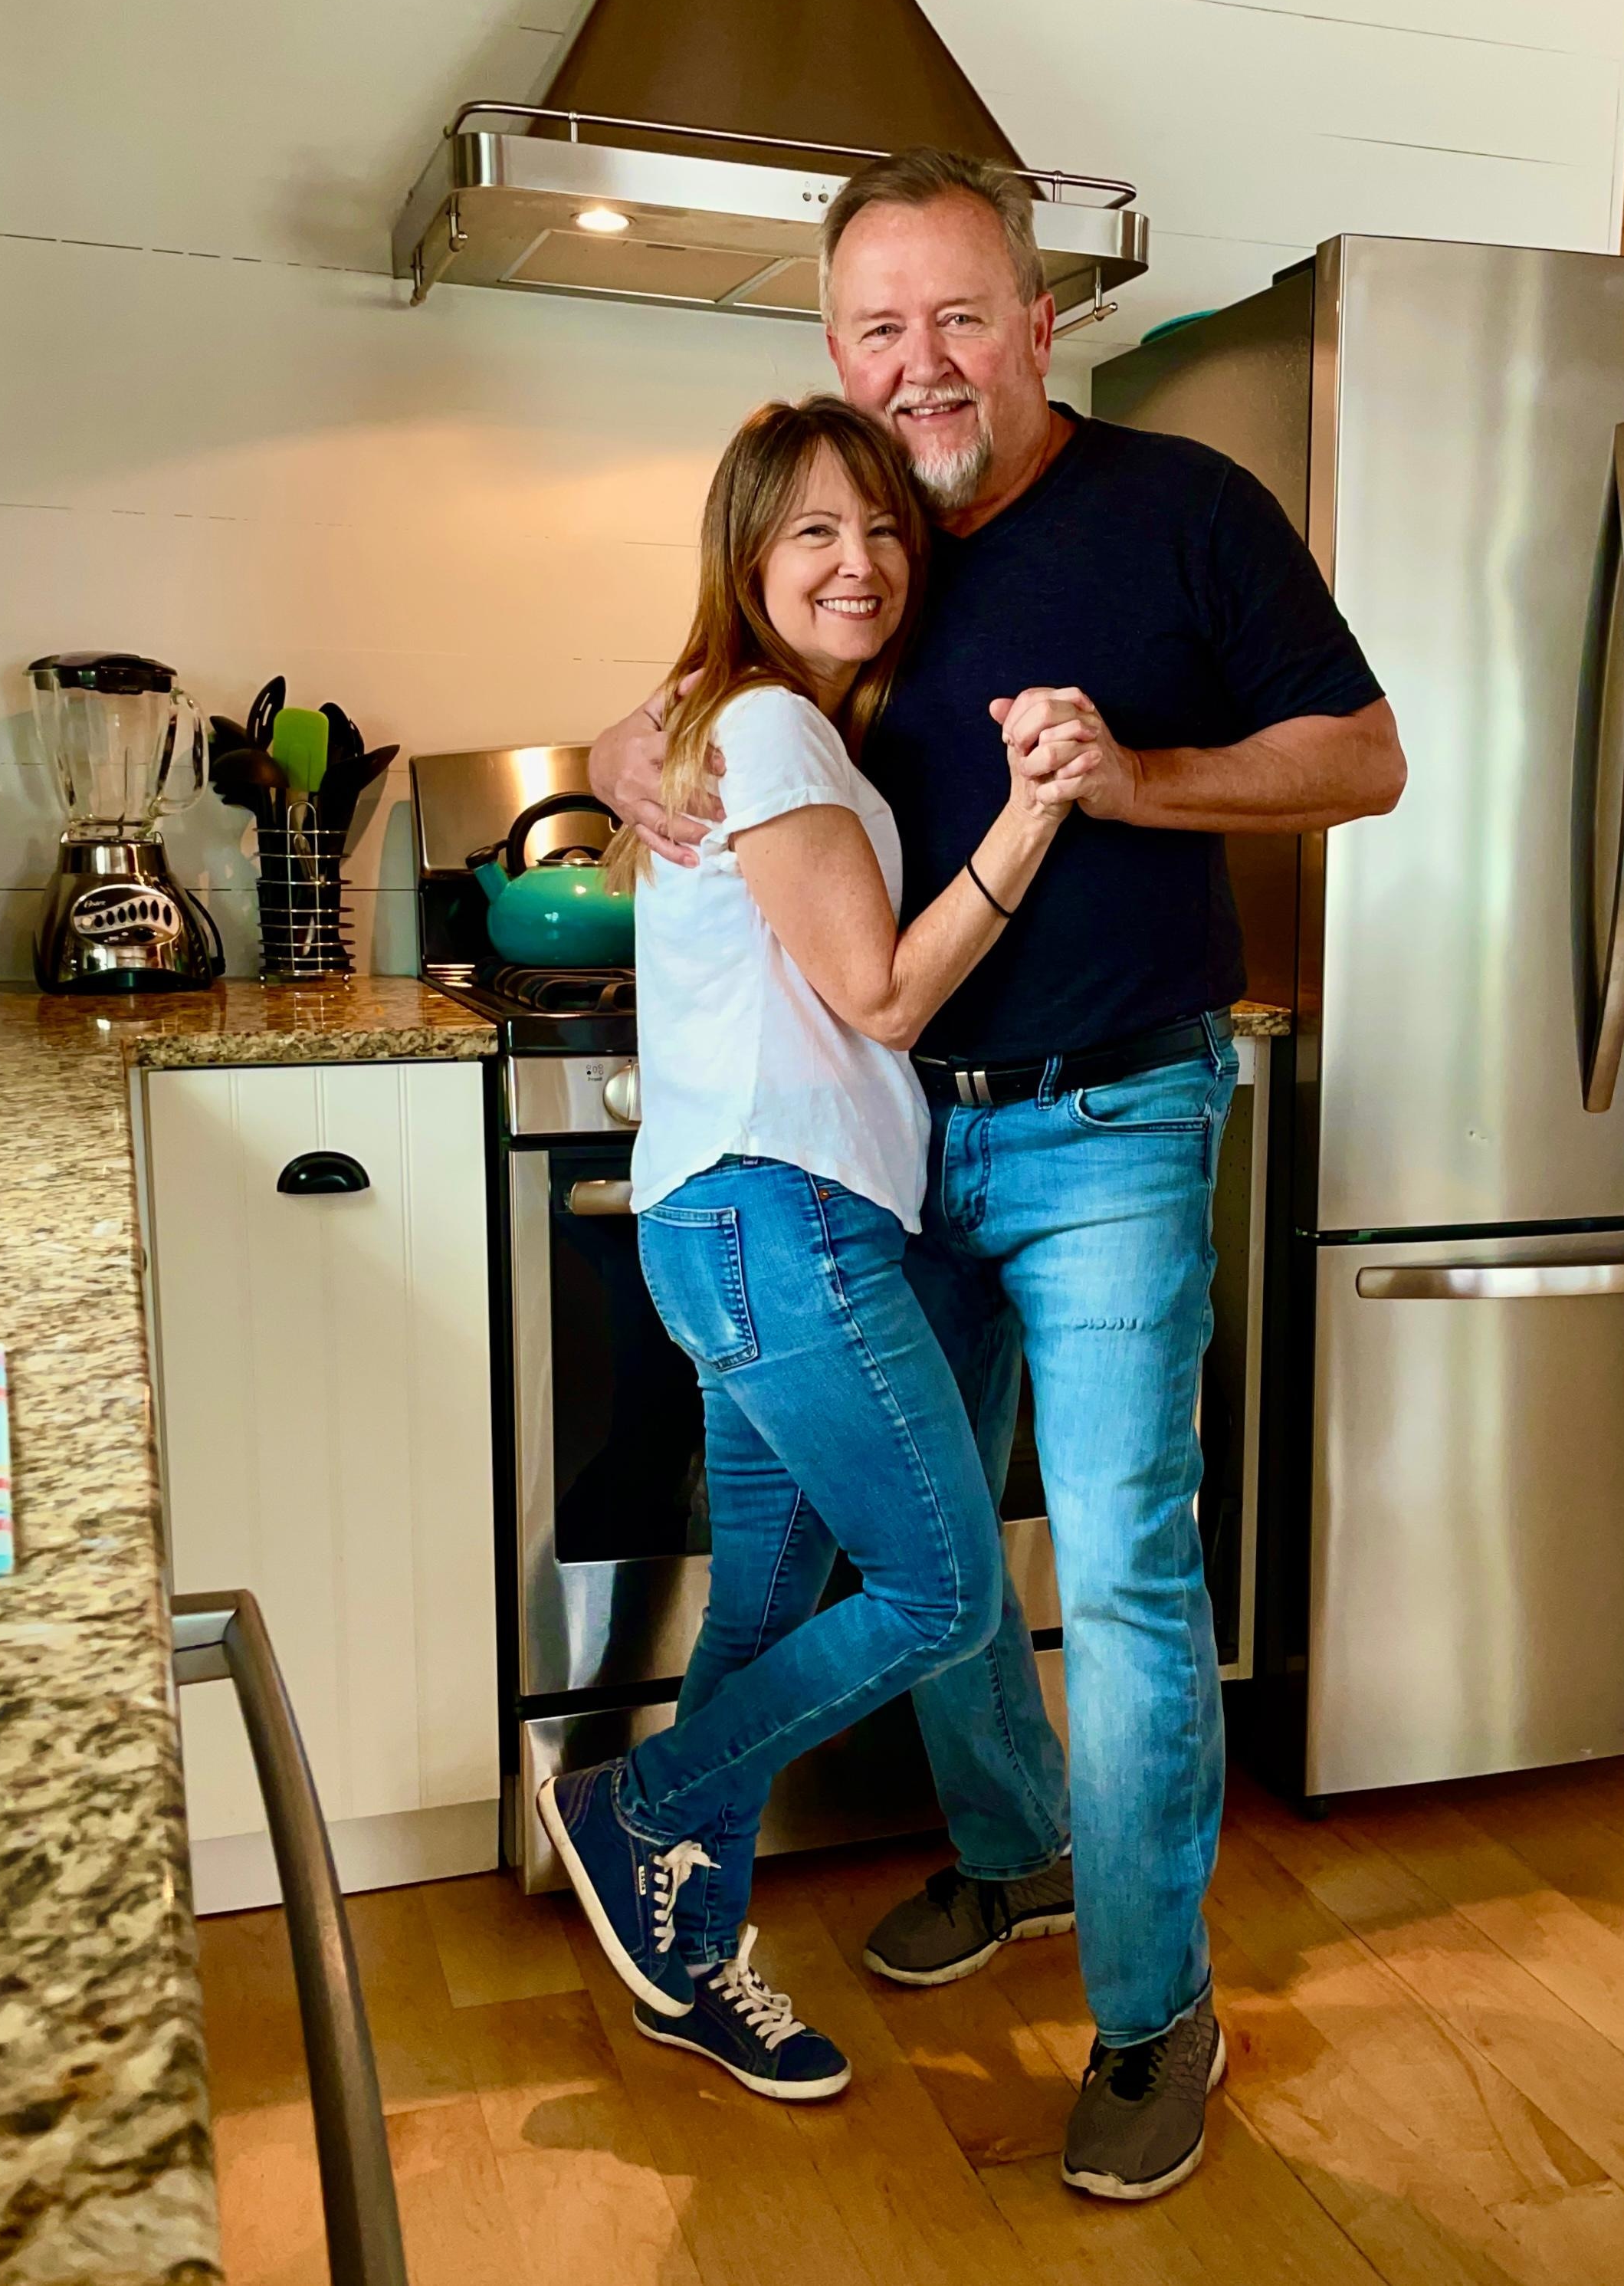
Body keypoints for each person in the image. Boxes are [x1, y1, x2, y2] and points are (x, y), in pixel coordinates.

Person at [595, 149, 1405, 2199]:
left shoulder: (1182, 507)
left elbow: (1362, 754)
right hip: (885, 1144)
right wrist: (618, 746)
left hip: (1114, 1114)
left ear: (1043, 323)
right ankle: (1014, 1849)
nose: (923, 362)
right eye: (881, 327)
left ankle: (1153, 2011)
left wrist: (1137, 777)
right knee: (934, 1549)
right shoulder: (861, 542)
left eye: (960, 315)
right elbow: (721, 691)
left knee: (1117, 1565)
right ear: (835, 350)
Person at [543, 393, 1098, 2106]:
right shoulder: (772, 727)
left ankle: (689, 1951)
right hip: (777, 1221)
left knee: (765, 1605)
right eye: (812, 532)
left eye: (878, 530)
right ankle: (629, 1808)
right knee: (940, 1589)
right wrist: (1035, 810)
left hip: (746, 1222)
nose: (857, 561)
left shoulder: (754, 723)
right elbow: (883, 994)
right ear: (747, 557)